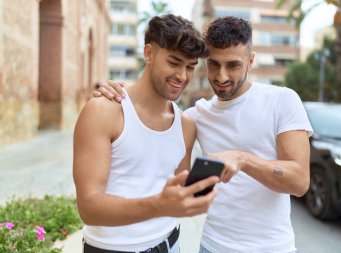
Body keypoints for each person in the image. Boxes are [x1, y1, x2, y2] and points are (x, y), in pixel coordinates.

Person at [95, 16, 313, 253]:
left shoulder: (282, 100)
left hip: (272, 248)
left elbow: (299, 181)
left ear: (250, 61)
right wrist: (121, 90)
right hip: (211, 246)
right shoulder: (195, 116)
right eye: (213, 64)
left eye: (233, 65)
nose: (221, 77)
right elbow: (177, 178)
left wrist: (243, 159)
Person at [73, 14, 220, 253]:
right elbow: (88, 207)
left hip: (171, 244)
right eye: (174, 63)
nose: (182, 76)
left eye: (190, 67)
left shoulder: (186, 125)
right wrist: (160, 206)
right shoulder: (104, 110)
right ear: (149, 54)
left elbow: (177, 190)